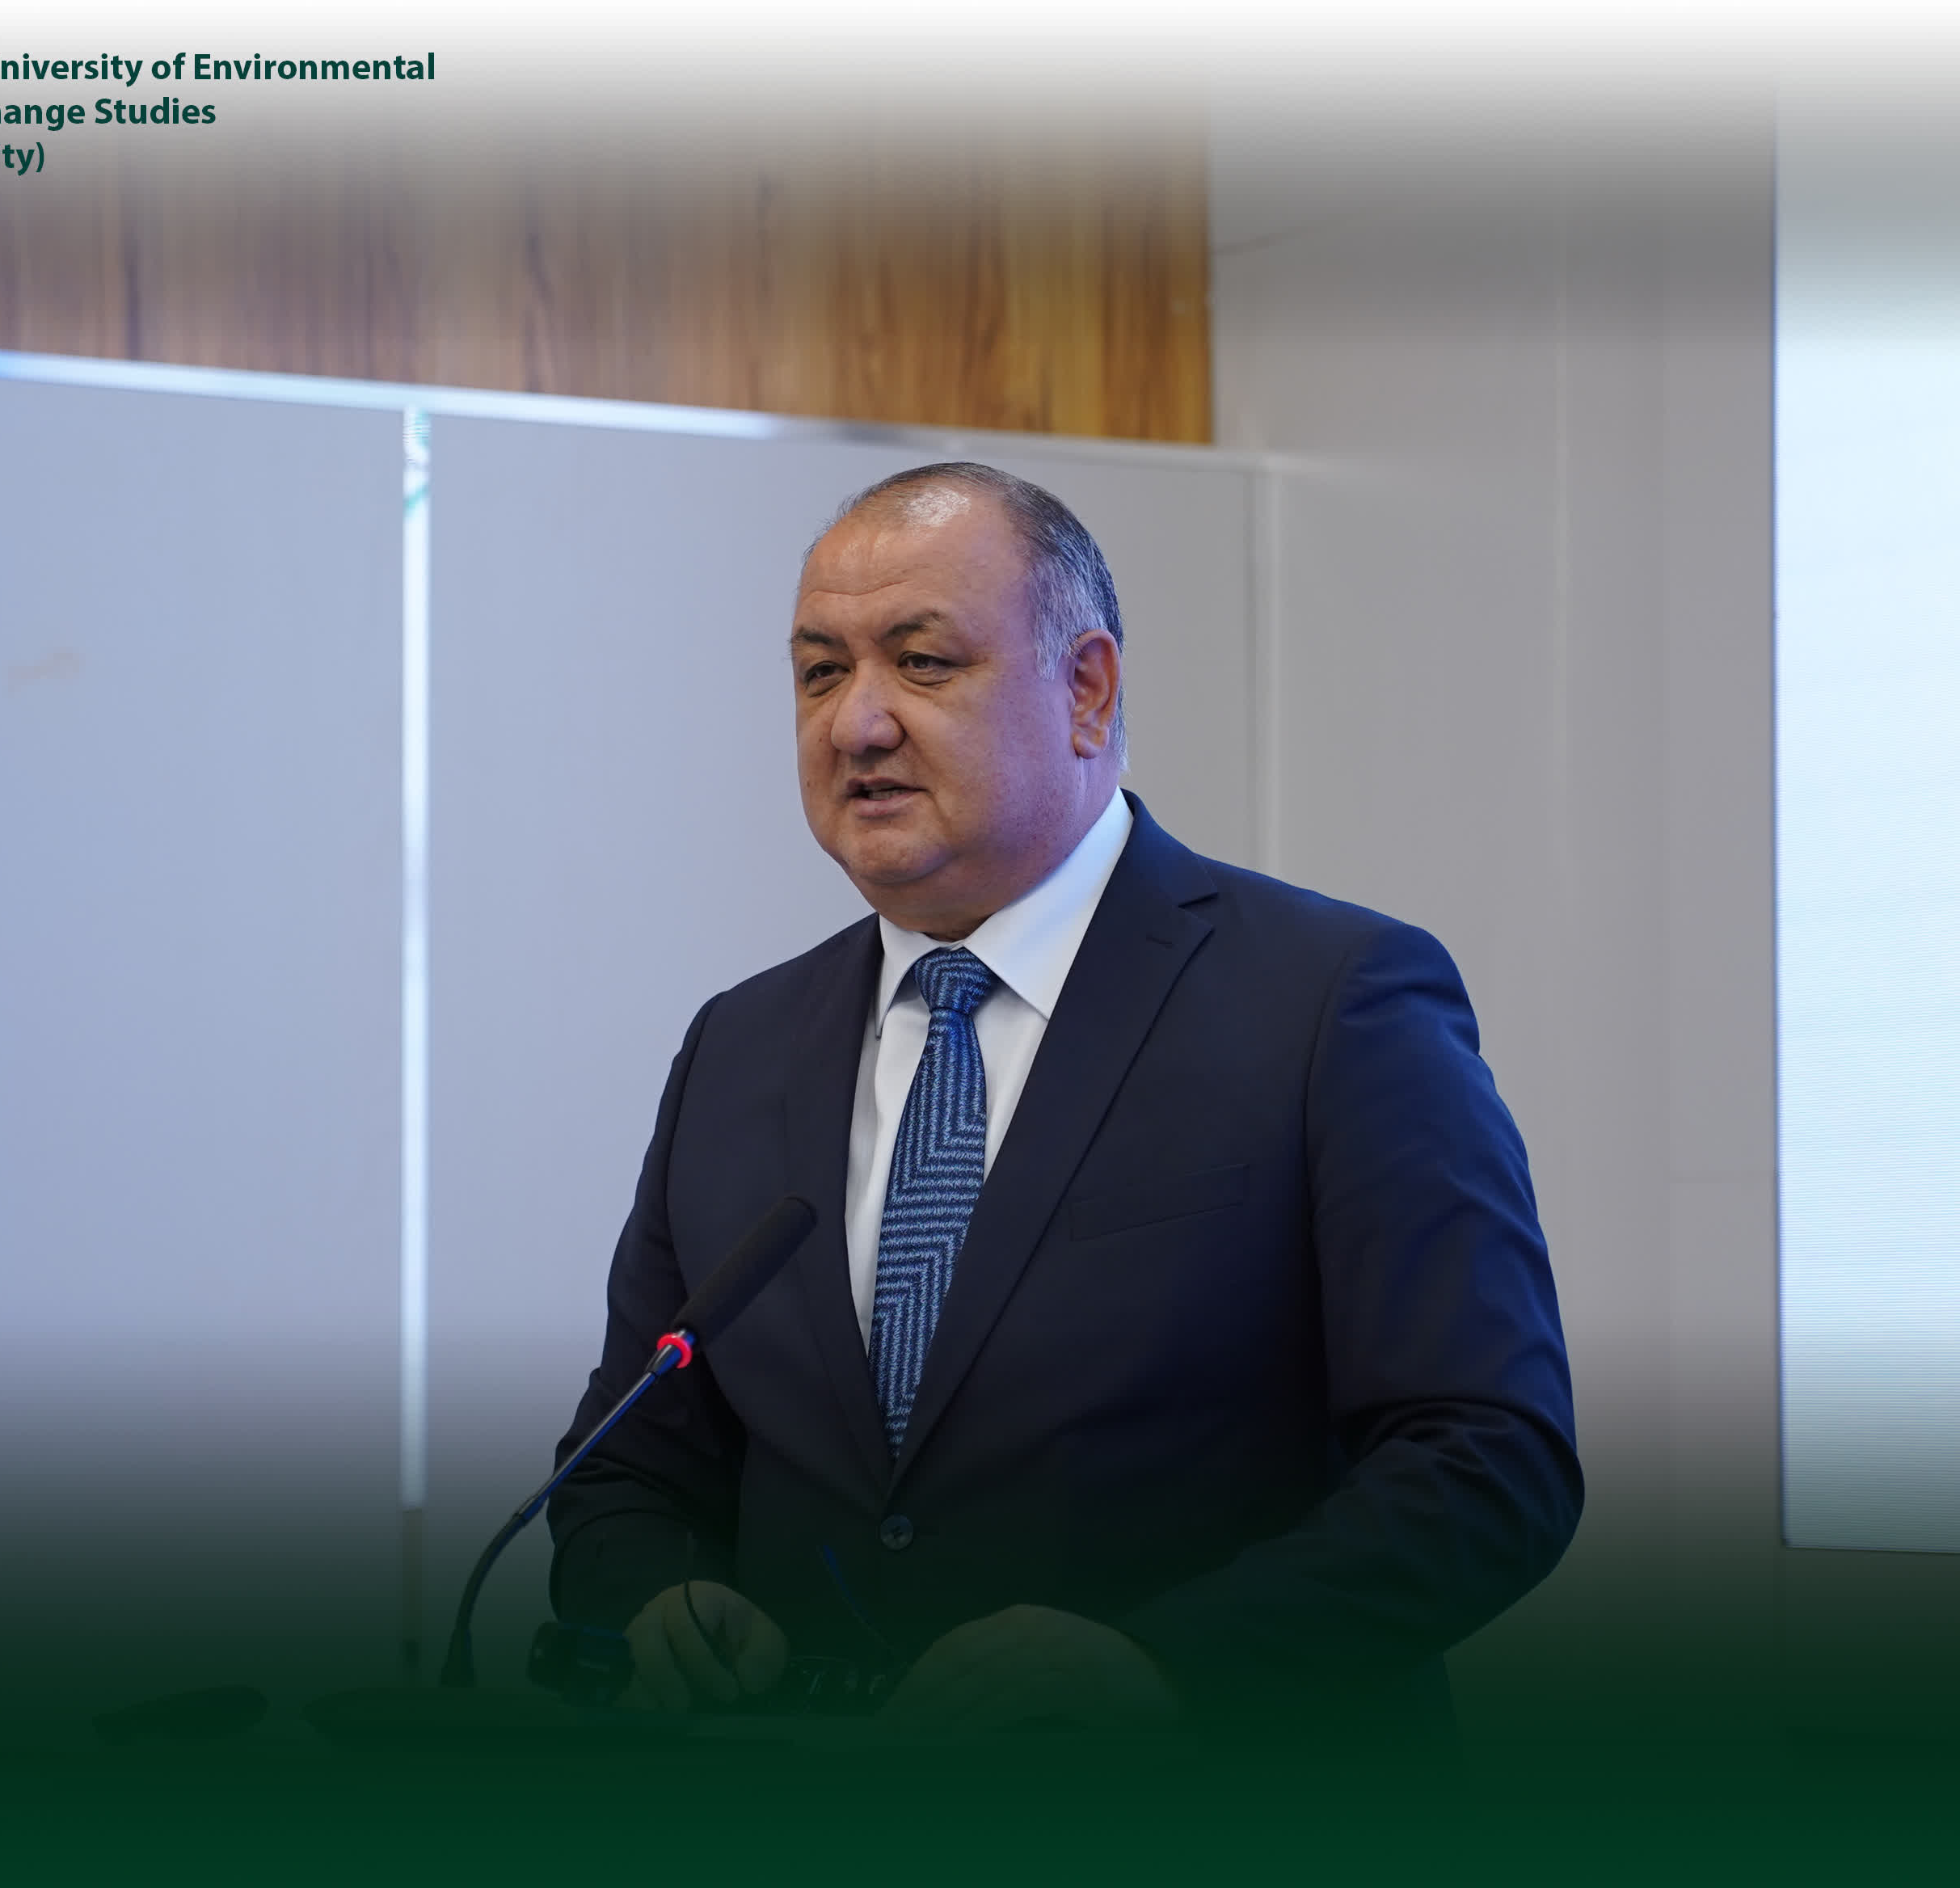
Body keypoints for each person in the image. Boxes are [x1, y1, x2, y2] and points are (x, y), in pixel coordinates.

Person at [545, 462, 1579, 1734]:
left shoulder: (1331, 1002)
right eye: (819, 672)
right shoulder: (738, 1047)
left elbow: (1489, 1460)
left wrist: (1167, 1667)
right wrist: (657, 1600)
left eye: (921, 663)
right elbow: (626, 1471)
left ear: (1085, 690)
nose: (856, 724)